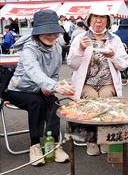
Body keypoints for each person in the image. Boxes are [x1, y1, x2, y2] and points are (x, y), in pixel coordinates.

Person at [5, 9, 75, 166]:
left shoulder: (57, 48)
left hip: (41, 88)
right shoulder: (29, 48)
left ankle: (54, 144)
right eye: (46, 32)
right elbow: (33, 71)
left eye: (53, 32)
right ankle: (35, 146)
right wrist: (53, 85)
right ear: (37, 33)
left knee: (53, 101)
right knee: (36, 102)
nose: (51, 36)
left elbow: (55, 73)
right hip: (18, 90)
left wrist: (52, 86)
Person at [67, 5, 128, 156]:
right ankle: (92, 140)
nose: (99, 22)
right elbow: (72, 65)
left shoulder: (115, 40)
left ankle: (105, 139)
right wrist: (80, 49)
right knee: (92, 101)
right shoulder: (80, 39)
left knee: (106, 101)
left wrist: (113, 55)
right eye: (95, 18)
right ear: (89, 20)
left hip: (108, 82)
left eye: (102, 18)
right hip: (86, 83)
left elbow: (123, 65)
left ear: (107, 22)